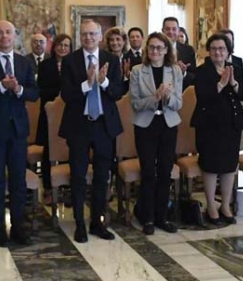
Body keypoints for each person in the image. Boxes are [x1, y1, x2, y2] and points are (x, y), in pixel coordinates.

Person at [0, 20, 39, 246]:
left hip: (18, 130)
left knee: (19, 179)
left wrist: (18, 89)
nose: (4, 36)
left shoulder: (23, 63)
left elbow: (34, 93)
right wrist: (1, 86)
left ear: (15, 36)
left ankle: (19, 226)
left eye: (8, 32)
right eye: (0, 33)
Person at [59, 19, 123, 243]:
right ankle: (79, 223)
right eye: (84, 34)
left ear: (100, 36)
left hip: (104, 126)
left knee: (102, 176)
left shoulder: (112, 60)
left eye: (92, 34)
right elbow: (66, 95)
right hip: (79, 125)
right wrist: (87, 83)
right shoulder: (70, 61)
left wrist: (103, 82)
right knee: (78, 176)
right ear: (80, 36)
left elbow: (117, 92)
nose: (88, 38)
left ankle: (97, 222)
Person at [191, 34, 243, 224]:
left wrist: (233, 83)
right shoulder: (202, 71)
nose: (218, 52)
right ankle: (211, 205)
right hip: (209, 125)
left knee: (229, 166)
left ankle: (225, 204)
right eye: (214, 48)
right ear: (209, 51)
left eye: (222, 49)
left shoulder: (235, 69)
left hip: (231, 125)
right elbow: (203, 96)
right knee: (210, 166)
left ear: (228, 51)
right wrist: (221, 84)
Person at [129, 32, 183, 235]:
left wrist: (167, 98)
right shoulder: (137, 71)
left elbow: (179, 103)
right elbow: (135, 103)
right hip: (145, 126)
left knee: (165, 171)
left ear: (166, 50)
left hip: (168, 125)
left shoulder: (175, 71)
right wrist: (155, 97)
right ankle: (148, 217)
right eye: (151, 47)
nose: (155, 51)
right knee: (148, 172)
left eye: (159, 48)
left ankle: (162, 217)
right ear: (146, 49)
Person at [36, 33, 73, 205]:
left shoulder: (74, 64)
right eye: (60, 45)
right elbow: (42, 89)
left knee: (69, 148)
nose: (63, 48)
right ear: (54, 46)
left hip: (69, 112)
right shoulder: (45, 65)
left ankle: (66, 188)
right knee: (48, 151)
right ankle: (49, 188)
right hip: (49, 113)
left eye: (66, 45)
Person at [162, 17, 196, 90]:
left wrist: (183, 73)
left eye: (174, 29)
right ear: (162, 31)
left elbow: (194, 77)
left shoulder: (188, 50)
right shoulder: (156, 50)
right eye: (167, 29)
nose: (171, 32)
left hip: (182, 92)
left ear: (178, 31)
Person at [104, 26, 130, 95]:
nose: (115, 43)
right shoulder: (104, 59)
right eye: (112, 40)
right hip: (108, 96)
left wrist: (129, 76)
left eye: (118, 39)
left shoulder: (130, 59)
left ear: (124, 41)